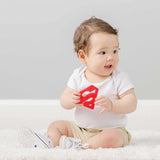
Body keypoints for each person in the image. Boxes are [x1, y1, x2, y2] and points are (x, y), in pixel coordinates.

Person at [20, 17, 137, 149]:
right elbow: (64, 100)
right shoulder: (78, 76)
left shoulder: (119, 78)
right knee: (56, 125)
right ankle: (50, 142)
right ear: (83, 56)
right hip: (80, 130)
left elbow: (131, 103)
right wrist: (71, 100)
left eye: (115, 51)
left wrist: (112, 104)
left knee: (113, 138)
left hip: (111, 129)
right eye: (103, 52)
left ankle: (81, 146)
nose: (111, 57)